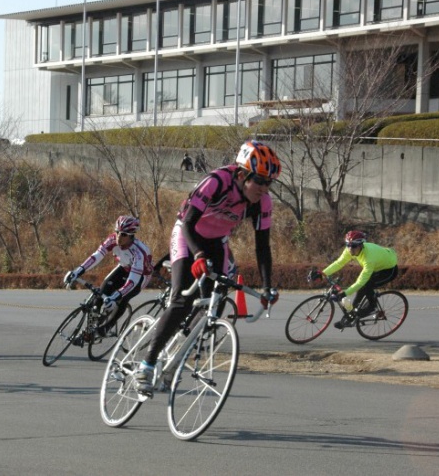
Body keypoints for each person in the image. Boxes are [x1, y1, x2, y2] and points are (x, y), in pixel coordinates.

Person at [134, 140, 281, 396]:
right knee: (181, 300)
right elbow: (189, 222)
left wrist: (268, 287)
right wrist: (198, 255)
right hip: (188, 235)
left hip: (216, 241)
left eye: (269, 182)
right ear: (241, 173)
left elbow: (263, 248)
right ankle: (146, 364)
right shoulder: (216, 181)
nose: (264, 188)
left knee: (216, 302)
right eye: (259, 180)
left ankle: (176, 358)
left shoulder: (262, 203)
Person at [63, 215, 153, 339]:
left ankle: (107, 327)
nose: (119, 237)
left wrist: (115, 296)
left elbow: (132, 281)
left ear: (131, 235)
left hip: (140, 276)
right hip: (124, 267)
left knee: (122, 299)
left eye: (123, 234)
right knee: (99, 294)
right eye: (117, 232)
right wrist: (77, 272)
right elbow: (96, 256)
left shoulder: (139, 253)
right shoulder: (112, 240)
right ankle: (90, 330)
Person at [310, 230, 398, 330]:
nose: (350, 248)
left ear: (361, 245)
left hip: (389, 269)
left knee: (366, 285)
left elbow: (361, 281)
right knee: (360, 290)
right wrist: (323, 273)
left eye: (354, 246)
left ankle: (371, 306)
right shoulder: (349, 250)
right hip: (379, 263)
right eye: (348, 245)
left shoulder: (368, 258)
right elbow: (339, 263)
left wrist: (345, 293)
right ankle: (352, 316)